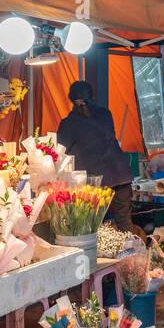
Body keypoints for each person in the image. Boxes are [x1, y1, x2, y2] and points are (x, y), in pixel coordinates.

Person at [58, 80, 140, 234]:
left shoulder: (68, 123)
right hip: (120, 175)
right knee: (124, 222)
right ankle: (130, 256)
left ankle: (98, 257)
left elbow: (60, 152)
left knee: (93, 225)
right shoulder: (105, 114)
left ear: (70, 99)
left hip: (96, 181)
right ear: (92, 96)